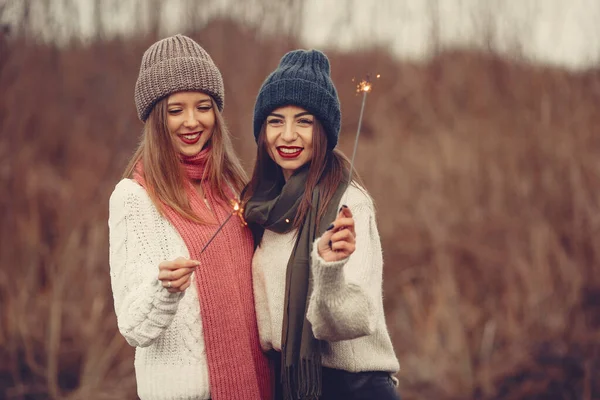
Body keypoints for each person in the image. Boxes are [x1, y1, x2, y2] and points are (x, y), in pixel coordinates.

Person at [108, 34, 272, 400]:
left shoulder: (233, 188)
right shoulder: (133, 197)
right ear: (155, 118)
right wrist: (163, 290)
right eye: (176, 110)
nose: (192, 121)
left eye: (203, 106)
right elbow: (133, 326)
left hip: (257, 385)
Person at [243, 49, 401, 400]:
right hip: (290, 386)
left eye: (304, 121)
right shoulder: (261, 209)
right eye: (275, 120)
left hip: (352, 388)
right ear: (261, 131)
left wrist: (329, 269)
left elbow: (350, 322)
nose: (287, 135)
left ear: (324, 131)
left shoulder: (349, 204)